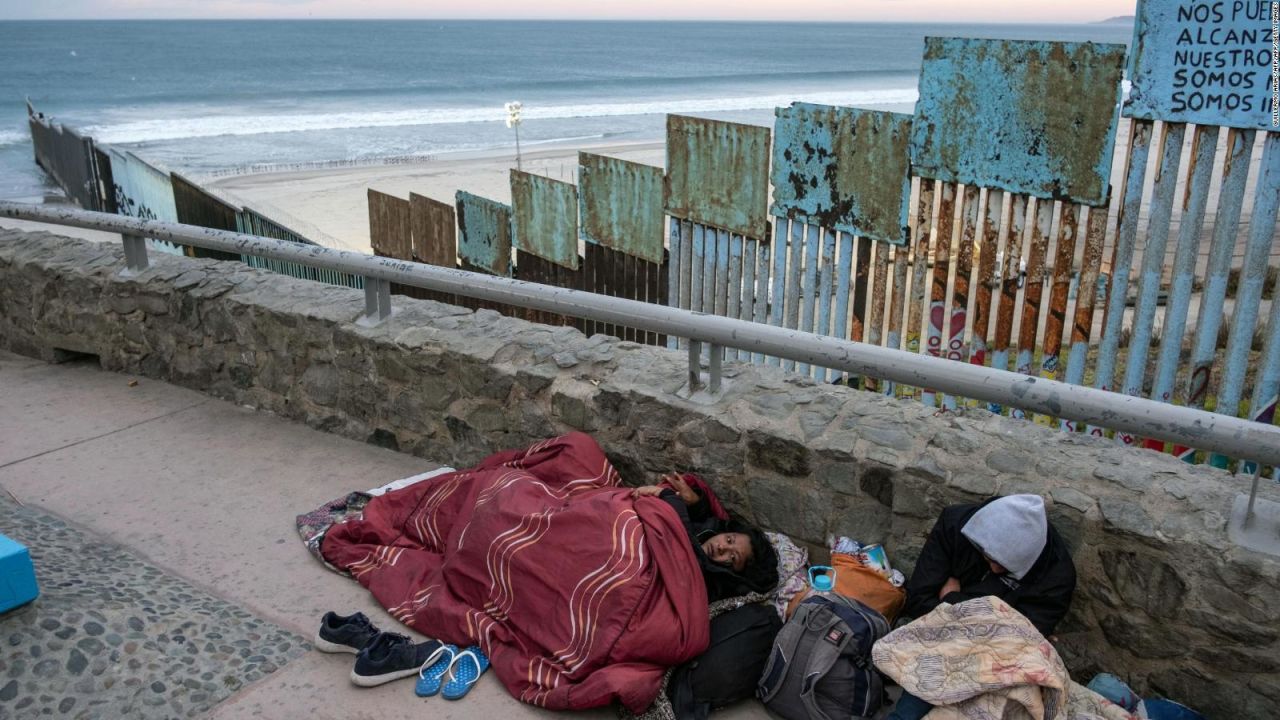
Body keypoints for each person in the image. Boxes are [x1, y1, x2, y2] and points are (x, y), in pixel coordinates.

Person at [888, 494, 1077, 720]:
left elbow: (1017, 641)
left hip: (993, 663)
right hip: (941, 644)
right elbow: (918, 599)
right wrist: (987, 616)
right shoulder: (955, 524)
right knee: (930, 675)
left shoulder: (1056, 576)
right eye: (989, 558)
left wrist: (952, 599)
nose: (996, 569)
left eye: (1006, 567)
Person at [632, 472, 779, 602]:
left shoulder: (709, 585)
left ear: (735, 573)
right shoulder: (710, 530)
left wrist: (668, 497)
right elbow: (706, 520)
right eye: (729, 540)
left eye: (733, 557)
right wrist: (695, 502)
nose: (721, 547)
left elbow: (687, 553)